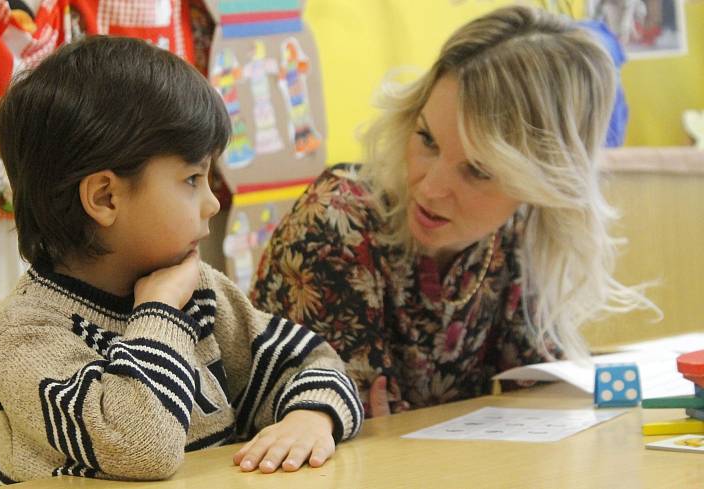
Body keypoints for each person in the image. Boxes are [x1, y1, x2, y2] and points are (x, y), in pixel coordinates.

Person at [0, 36, 362, 485]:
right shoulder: (24, 336)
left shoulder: (200, 292)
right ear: (104, 197)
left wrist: (310, 418)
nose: (212, 203)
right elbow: (142, 449)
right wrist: (158, 310)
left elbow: (314, 363)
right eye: (192, 179)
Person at [251, 5, 657, 418]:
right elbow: (351, 432)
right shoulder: (336, 219)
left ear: (542, 185)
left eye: (478, 170)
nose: (430, 188)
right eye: (427, 139)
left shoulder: (518, 228)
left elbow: (543, 396)